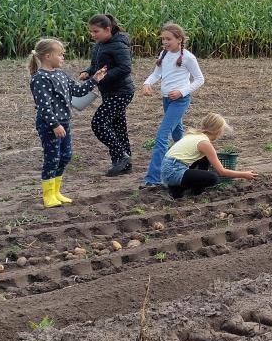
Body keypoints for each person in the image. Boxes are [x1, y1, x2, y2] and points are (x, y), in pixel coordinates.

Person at [29, 39, 107, 208]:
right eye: (60, 54)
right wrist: (55, 125)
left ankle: (56, 192)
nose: (63, 57)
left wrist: (95, 79)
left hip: (64, 122)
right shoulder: (40, 78)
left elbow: (77, 91)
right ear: (47, 56)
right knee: (52, 157)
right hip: (50, 125)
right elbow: (44, 106)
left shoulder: (60, 74)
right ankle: (48, 195)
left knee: (66, 155)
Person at [139, 23, 204, 190]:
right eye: (163, 39)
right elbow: (157, 73)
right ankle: (196, 165)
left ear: (179, 39)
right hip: (167, 100)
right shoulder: (164, 53)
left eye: (168, 39)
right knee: (178, 135)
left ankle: (153, 179)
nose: (165, 42)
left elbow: (199, 79)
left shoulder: (188, 58)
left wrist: (182, 92)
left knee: (162, 136)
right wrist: (147, 83)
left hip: (180, 101)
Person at [78, 14, 134, 177]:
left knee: (99, 123)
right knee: (118, 126)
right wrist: (87, 72)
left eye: (96, 31)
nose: (92, 35)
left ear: (107, 29)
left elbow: (125, 68)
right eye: (91, 31)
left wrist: (102, 77)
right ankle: (124, 164)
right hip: (109, 92)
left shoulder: (119, 45)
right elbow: (96, 65)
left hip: (121, 92)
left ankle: (121, 156)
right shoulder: (99, 45)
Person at [162, 113, 257, 198]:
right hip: (174, 172)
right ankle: (179, 188)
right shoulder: (204, 143)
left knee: (205, 157)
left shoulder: (193, 135)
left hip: (167, 170)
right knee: (213, 178)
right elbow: (222, 172)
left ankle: (195, 190)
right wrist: (244, 174)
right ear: (218, 130)